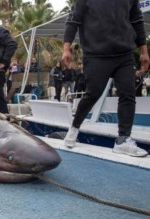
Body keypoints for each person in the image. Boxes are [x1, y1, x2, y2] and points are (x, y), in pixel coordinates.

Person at [62, 0, 149, 157]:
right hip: (96, 55)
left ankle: (123, 139)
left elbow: (136, 20)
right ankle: (74, 127)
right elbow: (73, 20)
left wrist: (144, 51)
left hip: (124, 53)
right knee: (92, 94)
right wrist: (66, 49)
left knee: (128, 94)